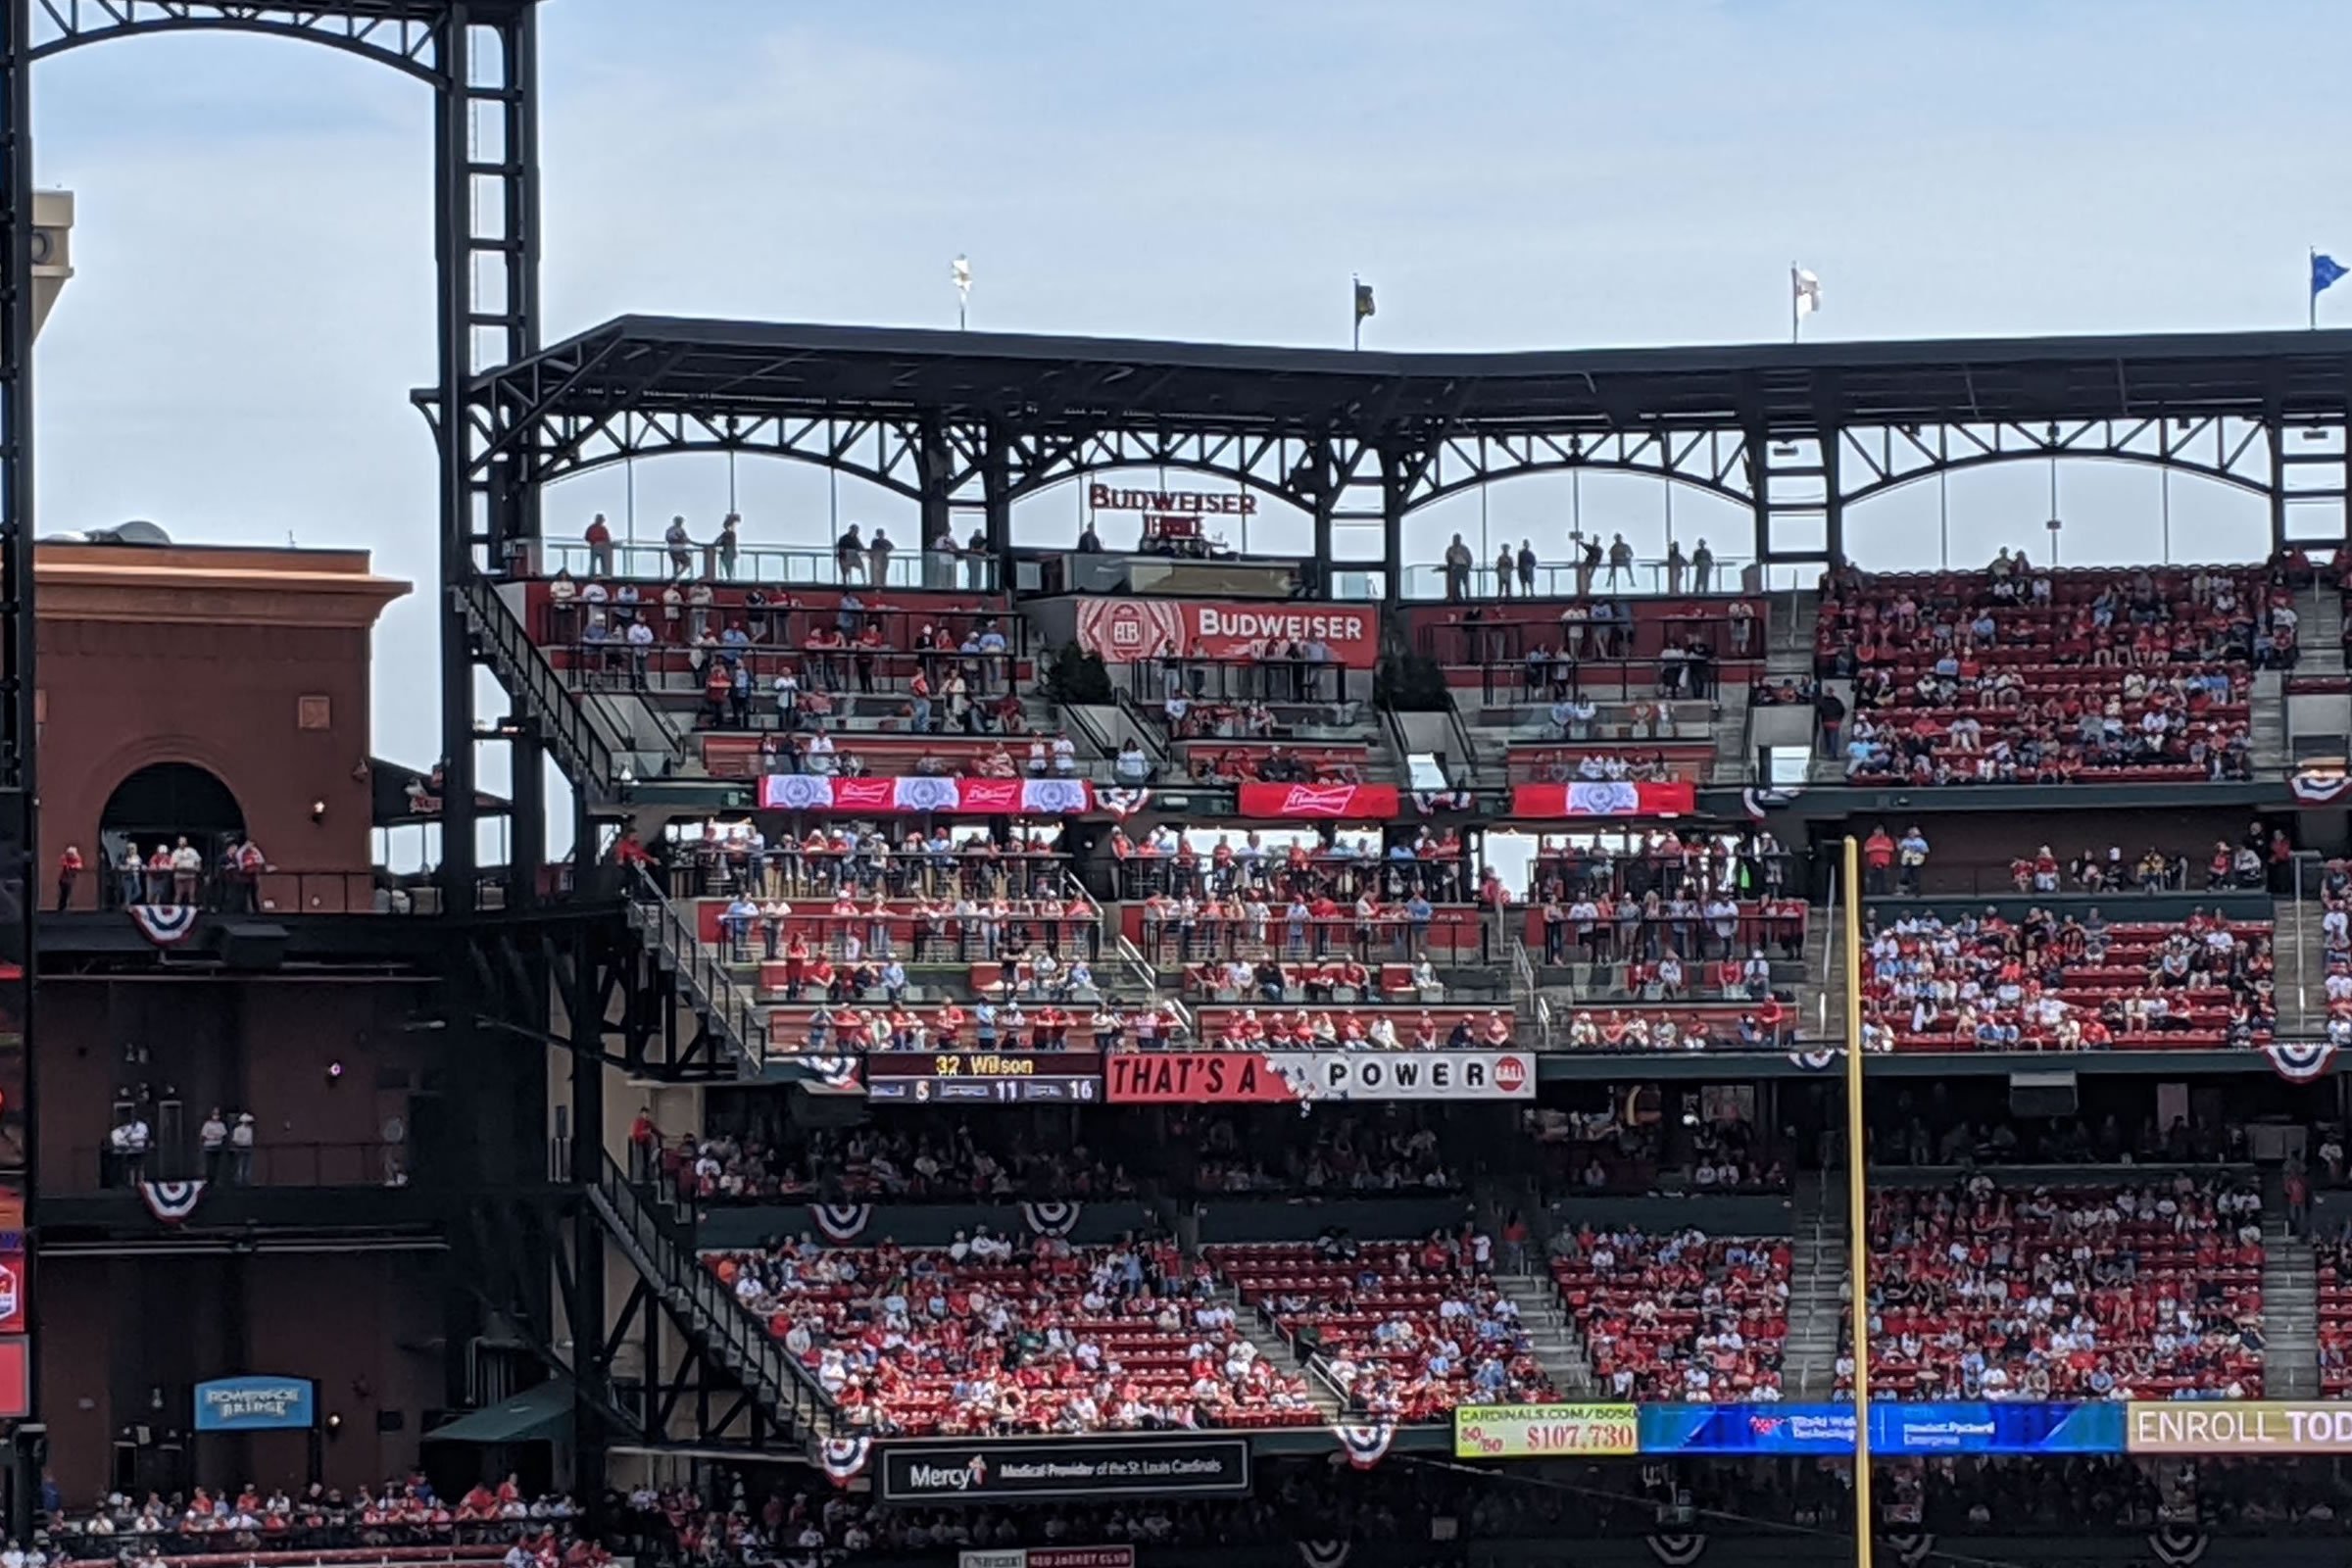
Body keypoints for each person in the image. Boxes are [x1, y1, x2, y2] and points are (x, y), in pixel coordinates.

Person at [1443, 534, 1474, 602]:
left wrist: (1469, 566)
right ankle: (1458, 597)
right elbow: (1447, 557)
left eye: (1457, 539)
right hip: (1455, 567)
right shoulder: (1450, 549)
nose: (1456, 541)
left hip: (1464, 567)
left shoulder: (1464, 549)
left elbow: (1469, 557)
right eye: (1455, 539)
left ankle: (1468, 596)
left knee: (1466, 582)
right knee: (1456, 583)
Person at [663, 514, 694, 580]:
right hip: (679, 549)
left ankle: (675, 576)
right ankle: (677, 576)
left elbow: (667, 539)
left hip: (671, 549)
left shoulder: (669, 530)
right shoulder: (680, 530)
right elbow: (684, 539)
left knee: (675, 564)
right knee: (688, 562)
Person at [585, 513, 613, 577]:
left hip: (604, 548)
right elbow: (588, 538)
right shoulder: (591, 528)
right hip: (595, 546)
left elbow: (607, 539)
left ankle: (606, 573)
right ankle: (592, 573)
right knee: (593, 562)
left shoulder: (604, 529)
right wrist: (595, 542)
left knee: (605, 561)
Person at [54, 845, 79, 912]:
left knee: (67, 893)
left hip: (69, 880)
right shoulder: (65, 858)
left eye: (72, 854)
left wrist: (73, 867)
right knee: (63, 893)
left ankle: (65, 907)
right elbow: (65, 865)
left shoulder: (76, 859)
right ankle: (62, 907)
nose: (70, 855)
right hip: (63, 880)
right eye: (69, 854)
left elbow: (78, 865)